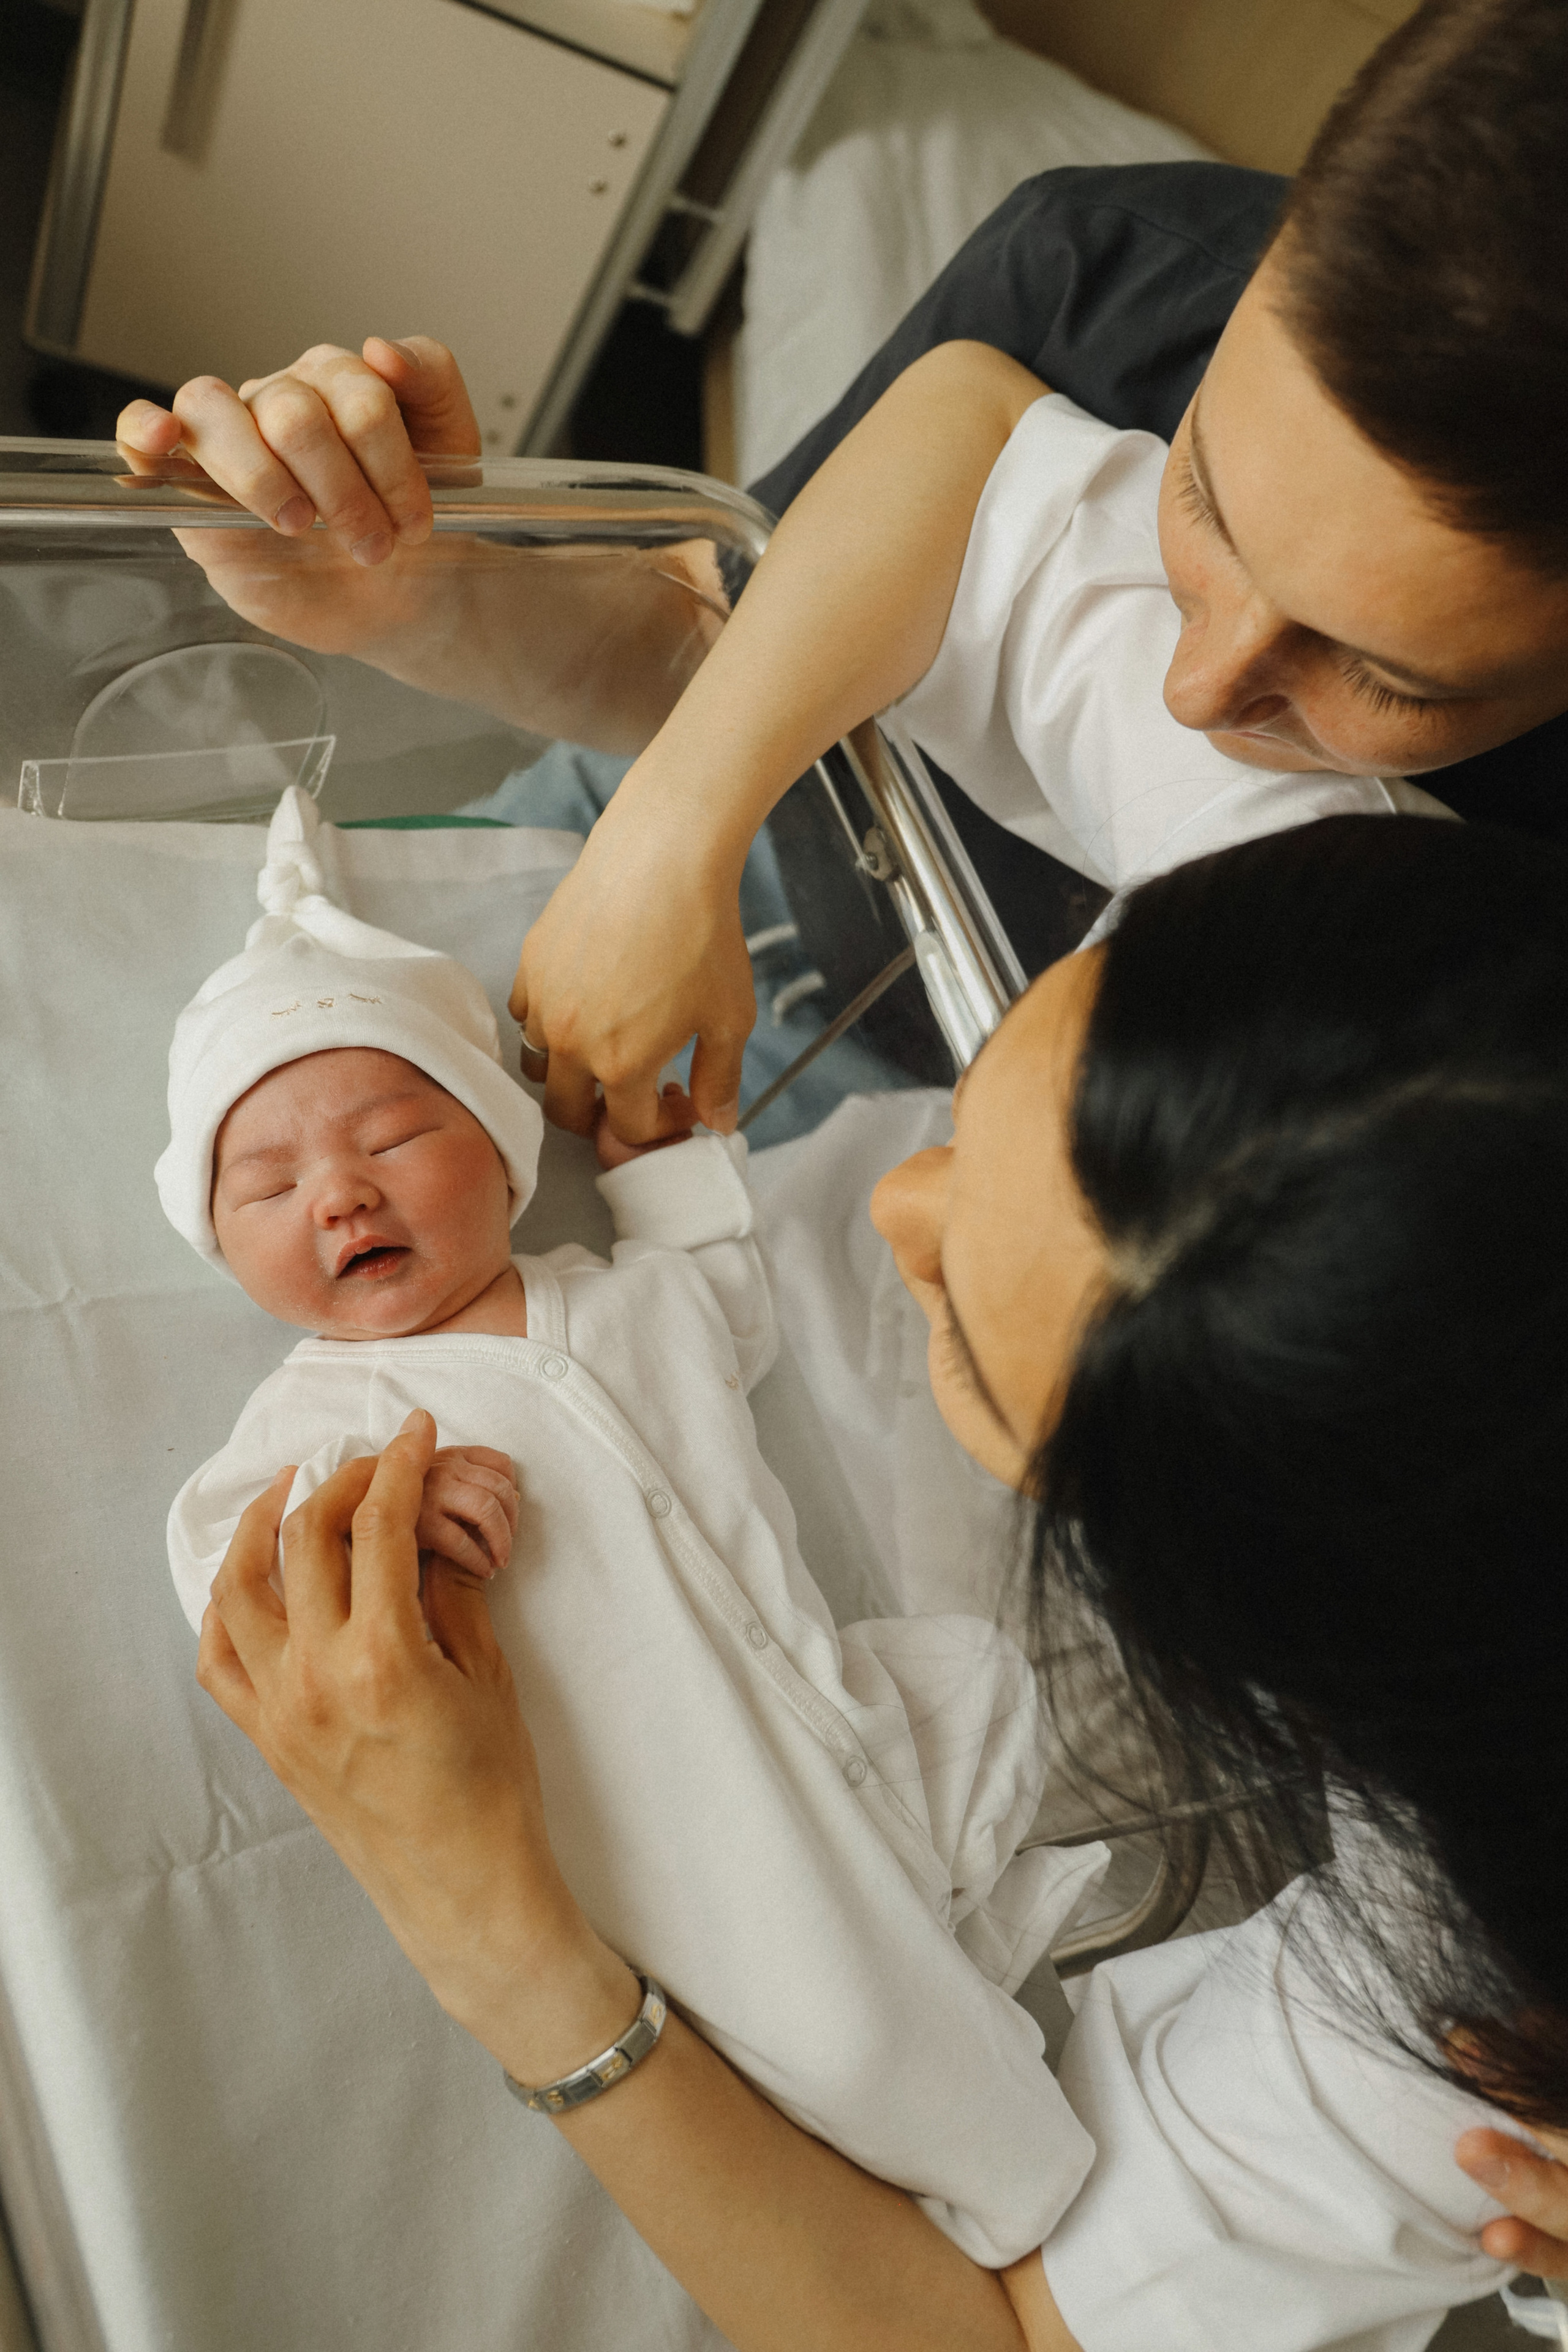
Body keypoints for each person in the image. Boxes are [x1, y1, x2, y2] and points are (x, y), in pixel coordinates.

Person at [200, 813, 1568, 2350]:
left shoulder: (1470, 2036)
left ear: (1200, 1623)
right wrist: (693, 798)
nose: (890, 1200)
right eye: (977, 1109)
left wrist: (485, 1926)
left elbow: (981, 2339)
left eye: (960, 1316)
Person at [116, 0, 1568, 1133]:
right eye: (1196, 496)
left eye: (1382, 676)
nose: (1199, 690)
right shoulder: (1112, 276)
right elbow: (695, 637)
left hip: (932, 1102)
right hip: (675, 827)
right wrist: (417, 595)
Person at [160, 785, 1106, 2264]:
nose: (338, 1192)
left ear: (499, 1148)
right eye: (268, 1183)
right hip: (654, 1796)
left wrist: (661, 1170)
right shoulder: (315, 1424)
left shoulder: (628, 1296)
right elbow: (236, 1587)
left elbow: (728, 1309)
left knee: (969, 1747)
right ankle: (1029, 2211)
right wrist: (376, 1537)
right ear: (220, 1247)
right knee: (836, 2025)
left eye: (397, 1135)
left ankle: (1018, 2182)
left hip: (822, 1709)